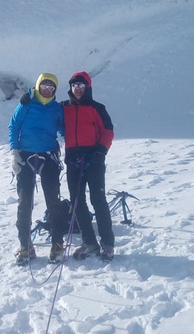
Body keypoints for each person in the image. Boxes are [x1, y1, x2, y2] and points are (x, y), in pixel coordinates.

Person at [9, 72, 65, 265]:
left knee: (53, 201)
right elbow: (14, 127)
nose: (47, 90)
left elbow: (64, 130)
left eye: (51, 87)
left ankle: (57, 244)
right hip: (25, 155)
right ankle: (25, 246)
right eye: (44, 86)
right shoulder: (26, 103)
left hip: (48, 155)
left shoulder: (57, 109)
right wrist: (14, 152)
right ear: (38, 86)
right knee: (24, 202)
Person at [63, 71, 115, 261]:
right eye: (74, 86)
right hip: (72, 160)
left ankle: (107, 244)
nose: (77, 89)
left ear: (88, 87)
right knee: (77, 202)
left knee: (98, 200)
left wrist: (100, 152)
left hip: (94, 159)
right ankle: (89, 242)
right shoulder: (64, 107)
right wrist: (29, 99)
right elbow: (46, 112)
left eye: (81, 86)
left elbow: (108, 131)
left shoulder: (97, 108)